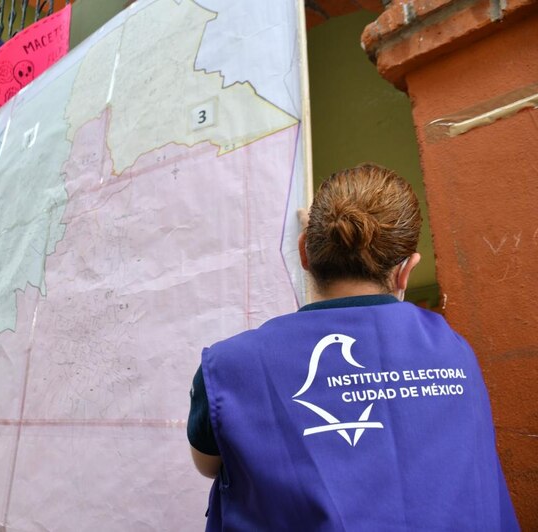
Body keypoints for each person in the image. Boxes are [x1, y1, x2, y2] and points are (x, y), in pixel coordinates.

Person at [187, 164, 519, 530]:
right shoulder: (454, 351)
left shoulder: (227, 366)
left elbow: (208, 465)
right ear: (406, 270)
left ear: (304, 254)